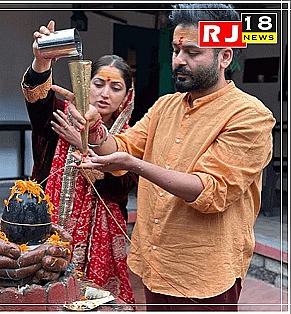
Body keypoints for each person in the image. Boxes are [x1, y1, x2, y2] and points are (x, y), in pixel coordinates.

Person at [68, 3, 275, 311]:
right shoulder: (166, 105)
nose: (179, 61)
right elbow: (122, 147)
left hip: (204, 273)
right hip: (157, 263)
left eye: (192, 52)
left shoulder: (250, 115)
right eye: (177, 51)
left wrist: (133, 165)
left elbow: (209, 191)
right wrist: (95, 127)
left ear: (225, 56)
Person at [15, 20, 138, 304]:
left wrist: (83, 143)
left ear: (126, 98)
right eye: (98, 84)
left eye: (116, 87)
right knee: (45, 294)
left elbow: (121, 187)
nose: (105, 93)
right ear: (87, 84)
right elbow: (37, 99)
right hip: (49, 220)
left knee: (92, 300)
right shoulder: (61, 114)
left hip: (101, 233)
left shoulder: (131, 138)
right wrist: (41, 59)